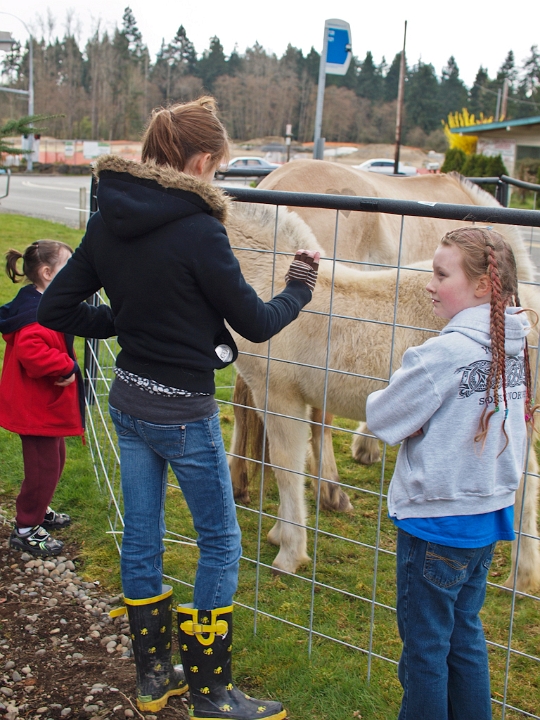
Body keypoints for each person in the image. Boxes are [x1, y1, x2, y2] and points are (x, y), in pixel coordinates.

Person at [38, 96, 319, 718]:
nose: (215, 177)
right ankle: (211, 693)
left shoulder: (107, 217)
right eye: (217, 167)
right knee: (221, 544)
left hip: (130, 402)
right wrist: (299, 287)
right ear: (198, 162)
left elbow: (55, 309)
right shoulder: (199, 228)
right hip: (185, 414)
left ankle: (153, 680)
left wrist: (117, 319)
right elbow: (255, 321)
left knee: (143, 540)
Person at [365, 227, 536, 720]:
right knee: (464, 633)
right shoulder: (513, 343)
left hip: (436, 526)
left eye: (442, 274)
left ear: (483, 286)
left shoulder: (443, 354)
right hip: (485, 520)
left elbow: (383, 419)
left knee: (424, 649)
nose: (429, 284)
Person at [0, 240, 83, 558]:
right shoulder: (35, 316)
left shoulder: (40, 302)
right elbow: (31, 353)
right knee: (42, 468)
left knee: (55, 460)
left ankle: (39, 509)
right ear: (48, 273)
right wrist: (66, 365)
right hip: (34, 409)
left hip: (42, 407)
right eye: (68, 266)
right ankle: (26, 528)